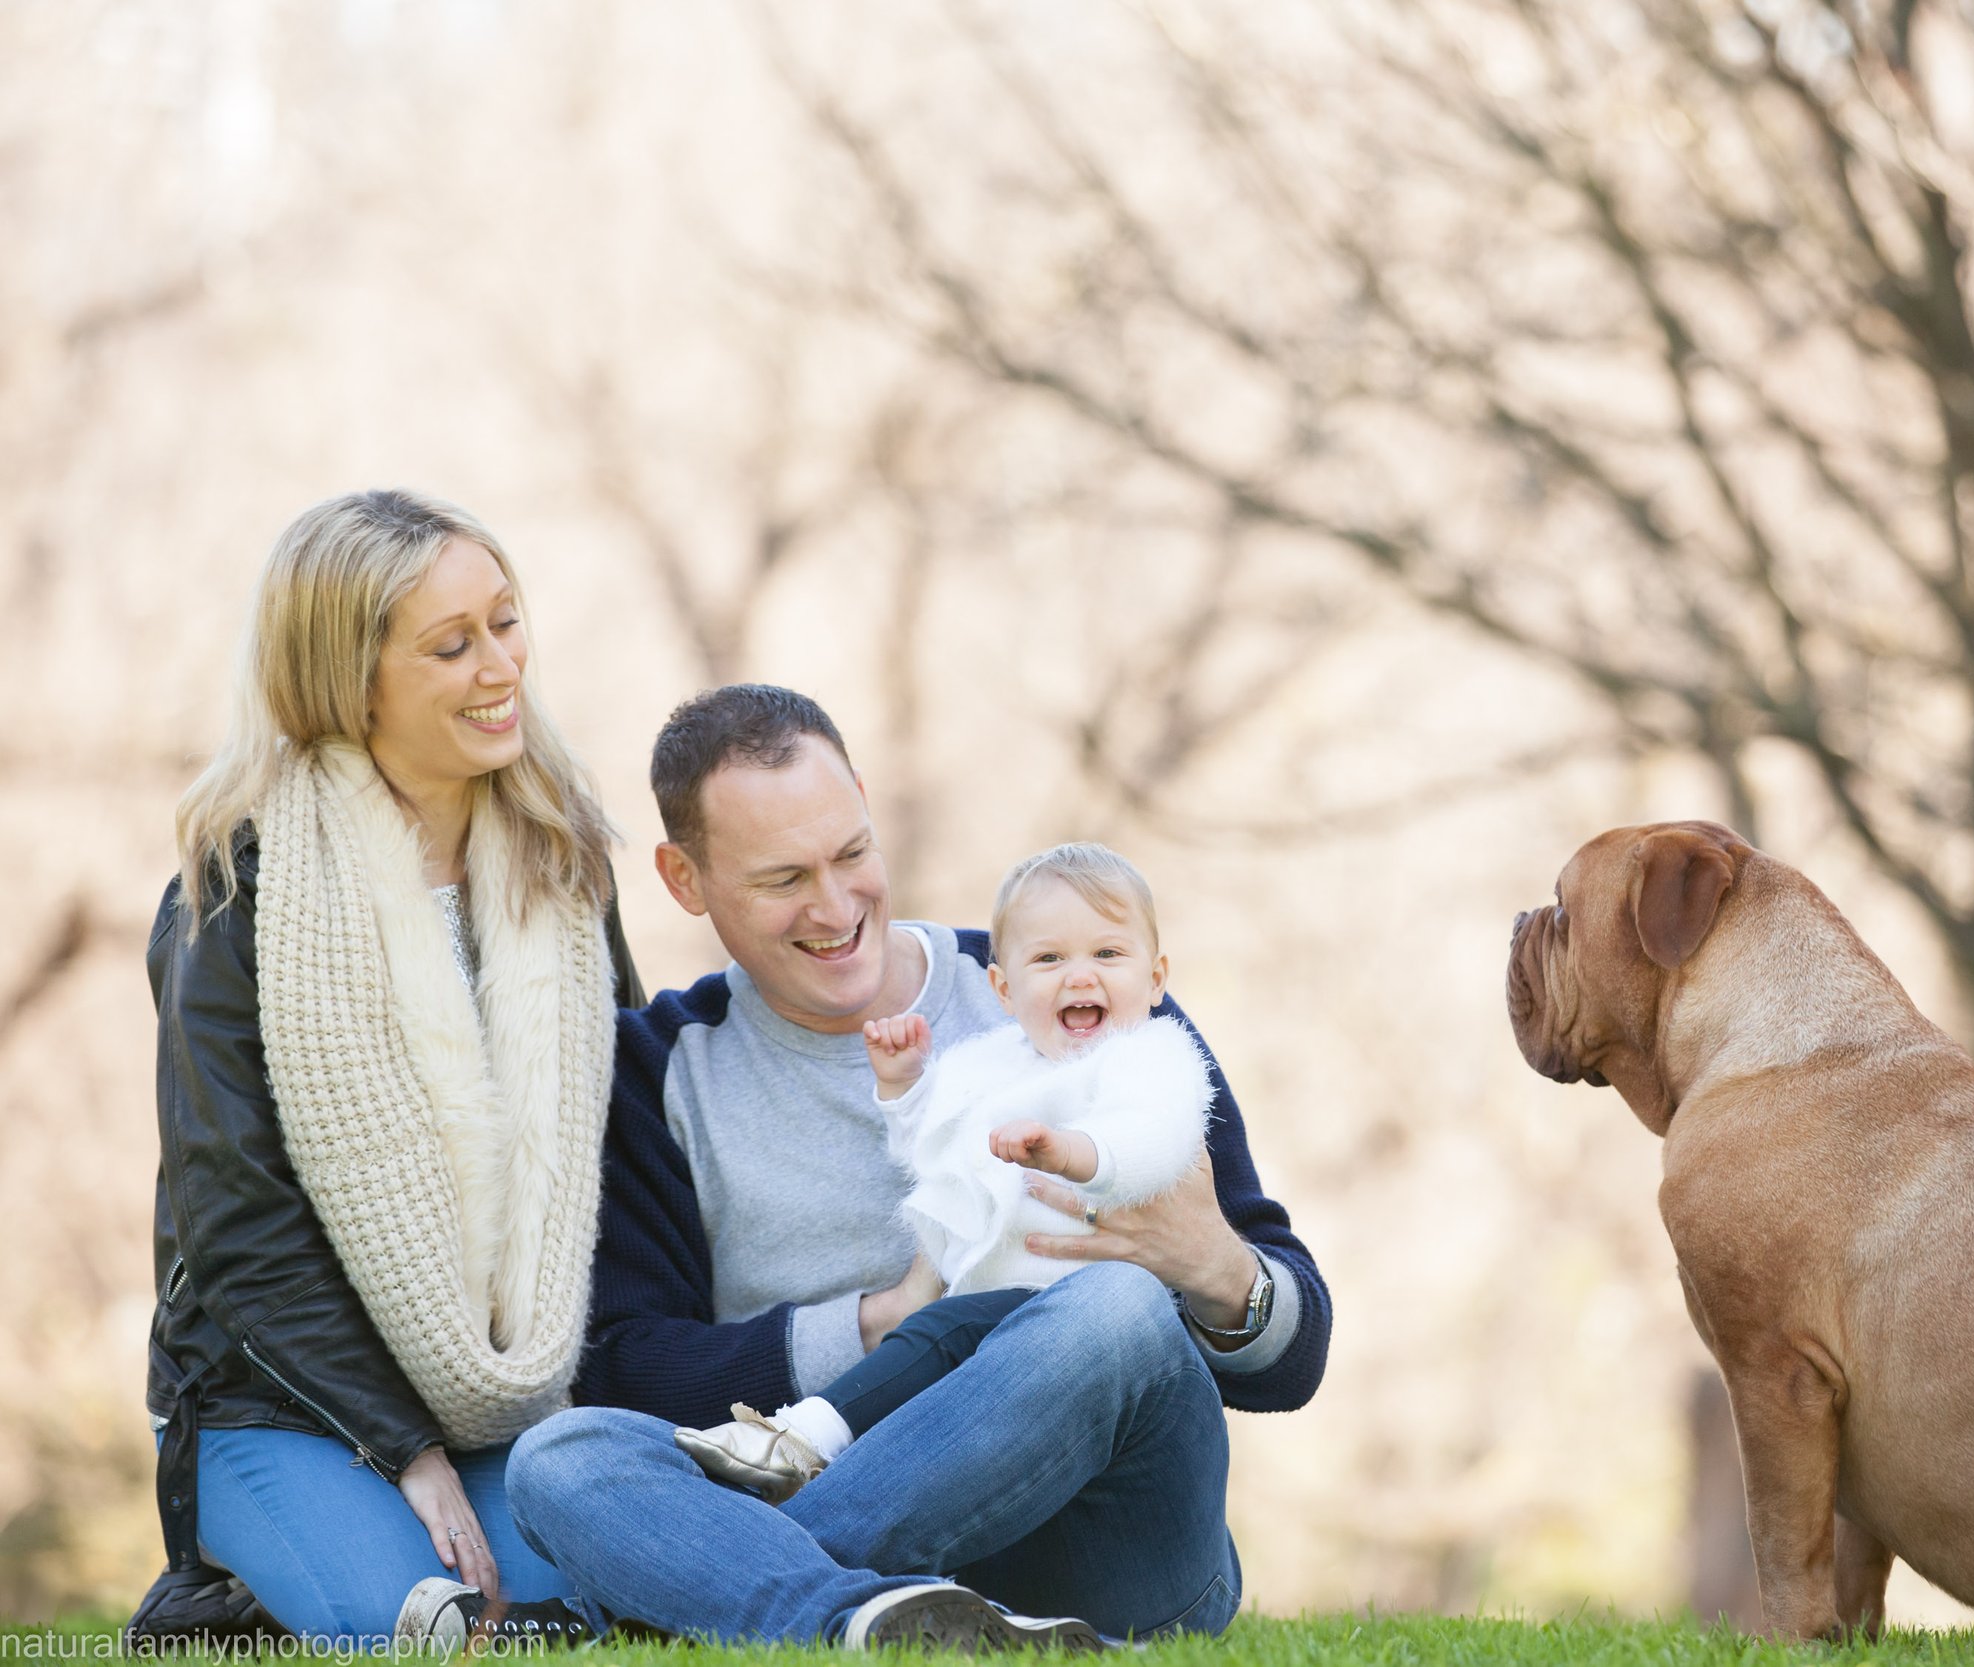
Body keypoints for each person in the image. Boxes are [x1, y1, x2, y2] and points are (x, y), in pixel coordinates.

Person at [494, 684, 1331, 1652]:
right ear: (687, 879)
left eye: (851, 853)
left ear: (863, 794)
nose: (837, 905)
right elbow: (626, 1367)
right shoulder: (656, 1072)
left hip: (1105, 1541)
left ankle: (731, 1584)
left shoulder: (1064, 982)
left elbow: (1293, 1363)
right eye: (782, 879)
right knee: (561, 1455)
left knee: (1118, 1311)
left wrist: (1215, 1266)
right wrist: (878, 1323)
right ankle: (863, 1618)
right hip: (825, 1466)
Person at [136, 490, 642, 1650]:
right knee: (426, 1626)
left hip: (514, 1388)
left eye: (505, 623)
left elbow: (617, 1144)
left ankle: (282, 1594)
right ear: (347, 681)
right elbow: (238, 1220)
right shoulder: (236, 892)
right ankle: (247, 1580)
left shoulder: (562, 864)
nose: (498, 665)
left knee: (582, 1615)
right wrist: (403, 1450)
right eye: (451, 645)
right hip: (283, 1399)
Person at [671, 840, 1216, 1500]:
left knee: (935, 1332)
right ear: (1004, 989)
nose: (1079, 976)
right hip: (993, 1320)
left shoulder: (1151, 1058)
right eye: (1049, 958)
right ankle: (813, 1499)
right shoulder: (994, 1061)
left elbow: (1155, 1143)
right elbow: (935, 1152)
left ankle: (801, 1439)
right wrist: (904, 1090)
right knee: (934, 1361)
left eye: (1107, 954)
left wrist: (1072, 1152)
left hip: (1091, 1329)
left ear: (1157, 978)